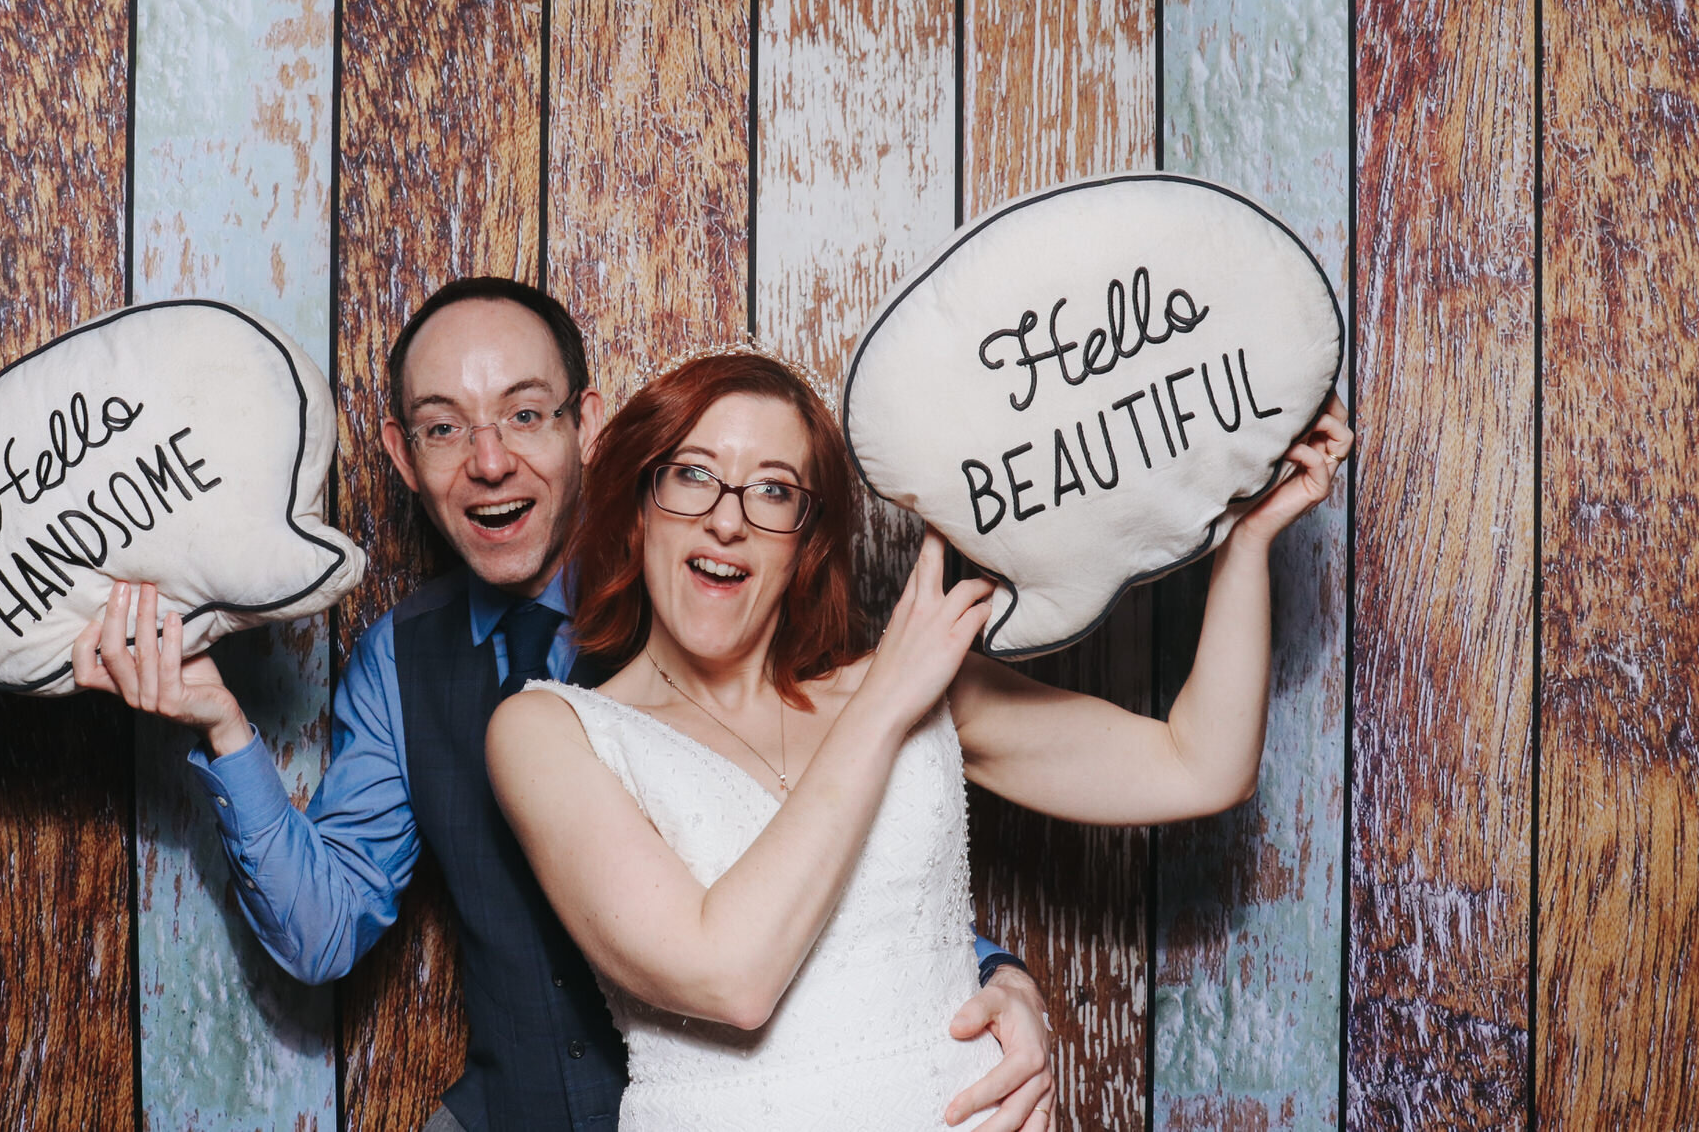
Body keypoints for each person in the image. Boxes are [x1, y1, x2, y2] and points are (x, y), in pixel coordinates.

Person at [71, 279, 1057, 1132]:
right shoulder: (400, 660)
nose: (488, 459)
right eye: (443, 426)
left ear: (588, 423)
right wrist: (223, 724)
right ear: (402, 457)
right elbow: (323, 931)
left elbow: (849, 775)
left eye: (526, 413)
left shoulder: (709, 577)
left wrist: (987, 970)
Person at [485, 350, 1352, 1128]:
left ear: (806, 546)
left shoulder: (917, 679)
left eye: (774, 489)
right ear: (639, 511)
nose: (727, 518)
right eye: (692, 475)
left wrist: (1245, 541)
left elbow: (1199, 765)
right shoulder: (550, 733)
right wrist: (888, 696)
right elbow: (730, 978)